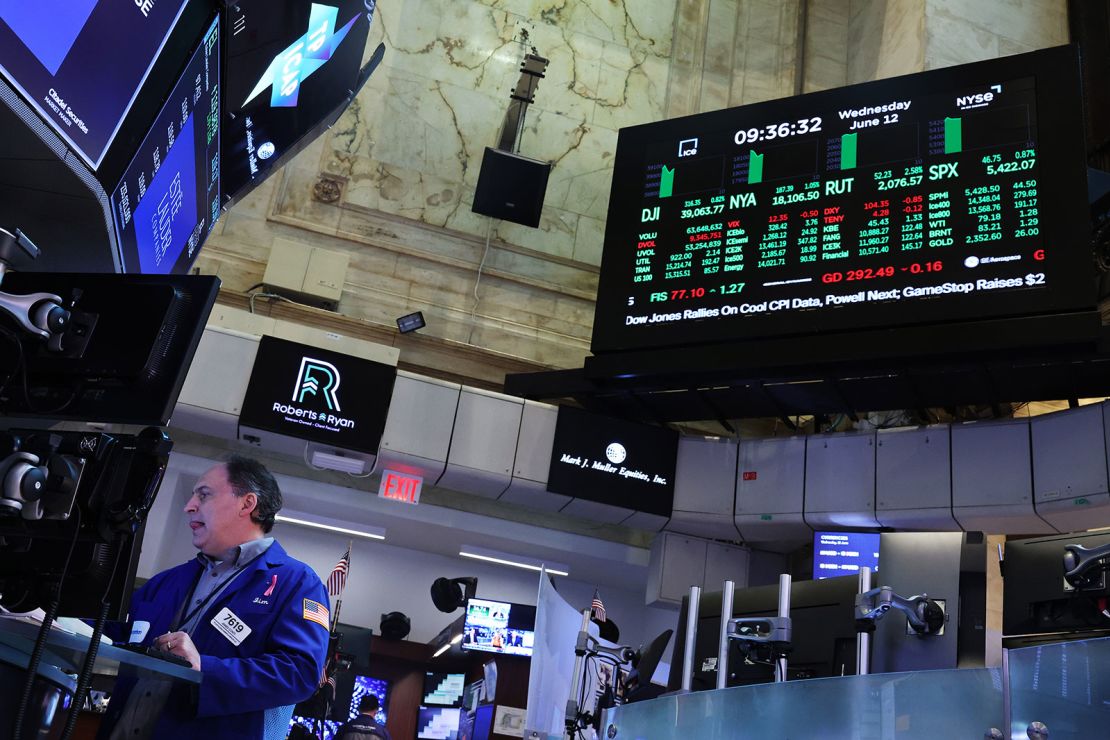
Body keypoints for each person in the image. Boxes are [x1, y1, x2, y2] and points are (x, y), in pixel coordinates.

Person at [97, 455, 330, 740]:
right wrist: (50, 619)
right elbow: (115, 633)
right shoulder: (168, 580)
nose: (188, 506)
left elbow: (300, 673)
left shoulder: (297, 583)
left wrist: (204, 667)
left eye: (204, 495)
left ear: (247, 504)